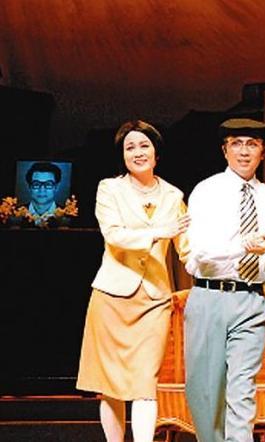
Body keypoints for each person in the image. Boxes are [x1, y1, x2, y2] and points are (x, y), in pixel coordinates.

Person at [77, 120, 190, 442]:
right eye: (130, 147)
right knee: (109, 385)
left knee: (145, 383)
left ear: (156, 152)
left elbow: (187, 247)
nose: (138, 152)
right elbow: (114, 235)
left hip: (154, 299)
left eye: (144, 145)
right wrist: (158, 232)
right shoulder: (109, 189)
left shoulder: (173, 195)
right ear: (122, 156)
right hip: (112, 296)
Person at [184, 118, 265, 442]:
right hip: (209, 297)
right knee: (205, 392)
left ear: (263, 152)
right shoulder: (207, 191)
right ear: (225, 150)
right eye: (237, 144)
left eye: (252, 144)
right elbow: (202, 251)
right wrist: (244, 245)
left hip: (251, 300)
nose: (244, 151)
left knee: (242, 390)